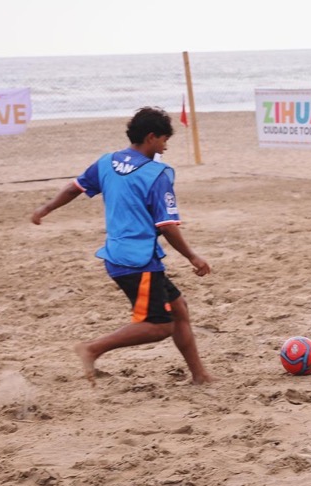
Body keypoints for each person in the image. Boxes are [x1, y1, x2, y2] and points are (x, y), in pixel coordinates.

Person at [30, 106, 214, 387]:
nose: (166, 147)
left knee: (179, 309)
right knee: (160, 325)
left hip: (121, 256)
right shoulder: (158, 173)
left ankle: (200, 376)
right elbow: (167, 226)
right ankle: (92, 348)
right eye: (165, 139)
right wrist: (193, 256)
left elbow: (73, 188)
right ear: (151, 137)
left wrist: (46, 208)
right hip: (137, 261)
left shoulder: (106, 163)